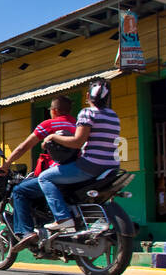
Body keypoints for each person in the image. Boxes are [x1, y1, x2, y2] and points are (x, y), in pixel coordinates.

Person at [36, 79, 121, 235]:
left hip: (90, 166)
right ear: (107, 98)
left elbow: (77, 142)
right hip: (112, 167)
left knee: (44, 178)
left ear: (87, 95)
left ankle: (62, 218)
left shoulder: (87, 113)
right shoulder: (113, 116)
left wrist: (52, 137)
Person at [0, 96, 78, 246]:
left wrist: (7, 164)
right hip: (76, 173)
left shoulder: (49, 124)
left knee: (19, 191)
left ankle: (26, 232)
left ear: (53, 111)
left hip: (56, 174)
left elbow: (24, 146)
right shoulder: (78, 125)